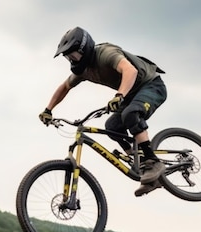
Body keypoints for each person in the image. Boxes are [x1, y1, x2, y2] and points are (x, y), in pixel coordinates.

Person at [38, 27, 168, 197]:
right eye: (67, 56)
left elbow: (131, 71)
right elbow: (64, 87)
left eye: (72, 54)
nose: (70, 59)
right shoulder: (83, 70)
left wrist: (119, 95)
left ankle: (152, 161)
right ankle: (140, 163)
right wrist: (48, 110)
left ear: (83, 49)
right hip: (130, 94)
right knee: (112, 126)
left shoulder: (106, 54)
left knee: (130, 114)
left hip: (151, 85)